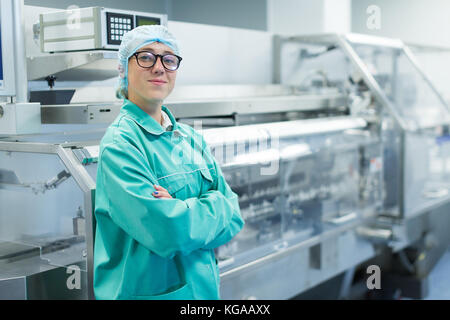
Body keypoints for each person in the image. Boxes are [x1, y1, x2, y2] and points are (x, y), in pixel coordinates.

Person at [93, 25, 244, 300]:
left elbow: (234, 215)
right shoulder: (121, 145)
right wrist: (213, 204)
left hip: (204, 292)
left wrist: (183, 208)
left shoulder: (190, 138)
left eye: (169, 59)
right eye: (146, 57)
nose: (159, 67)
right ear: (123, 70)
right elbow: (169, 232)